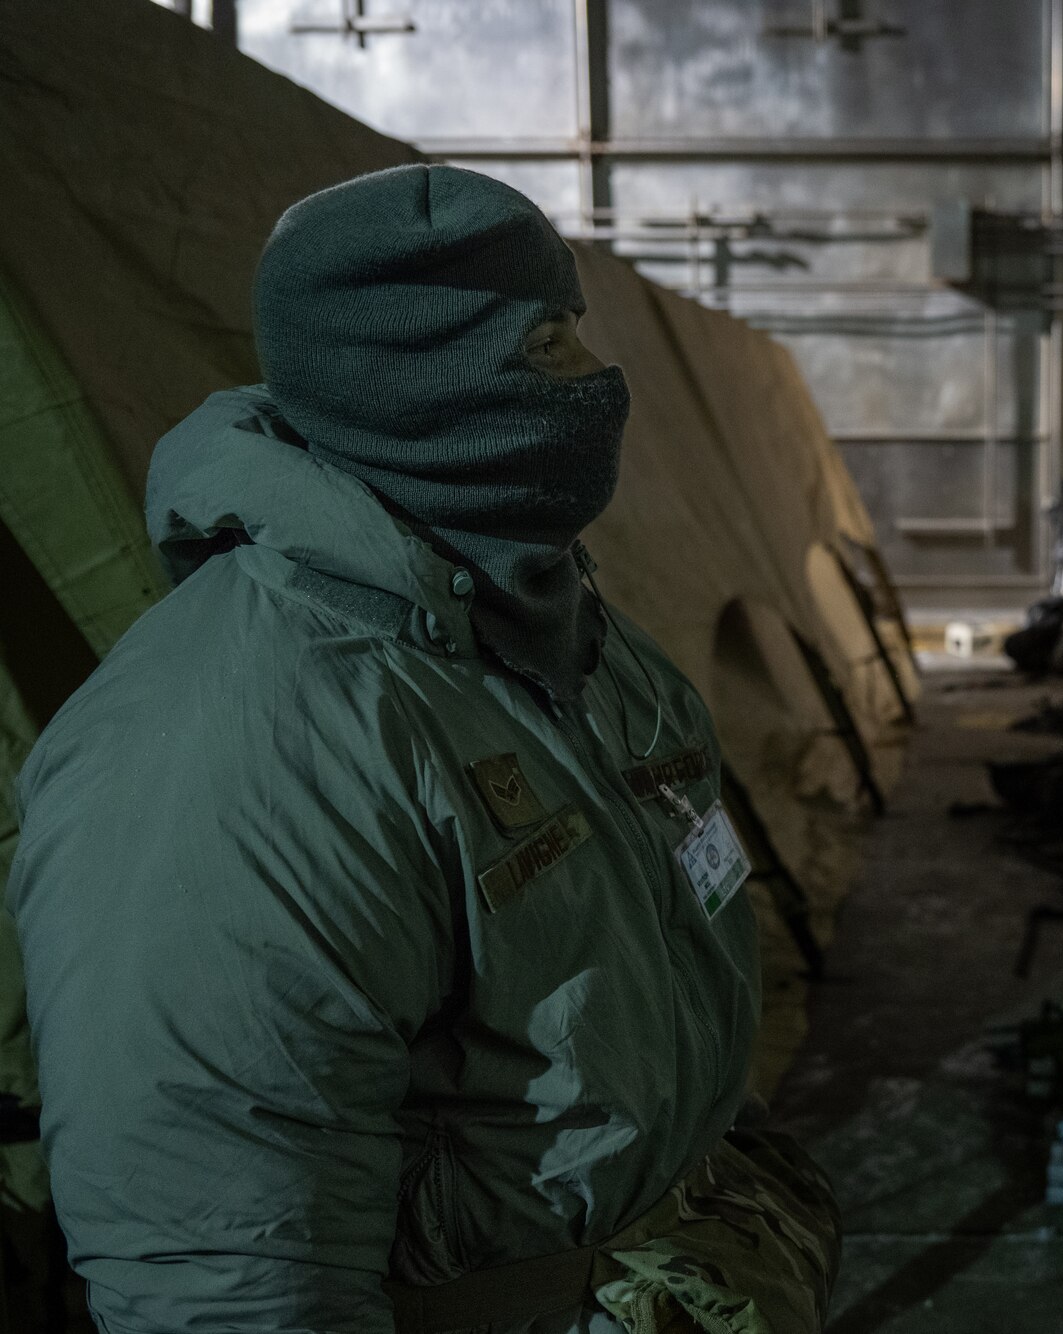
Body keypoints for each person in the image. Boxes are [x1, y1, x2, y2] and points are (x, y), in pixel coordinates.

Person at [7, 164, 838, 1333]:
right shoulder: (241, 748)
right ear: (419, 382)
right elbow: (227, 1274)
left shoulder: (578, 638)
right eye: (547, 346)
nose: (599, 386)